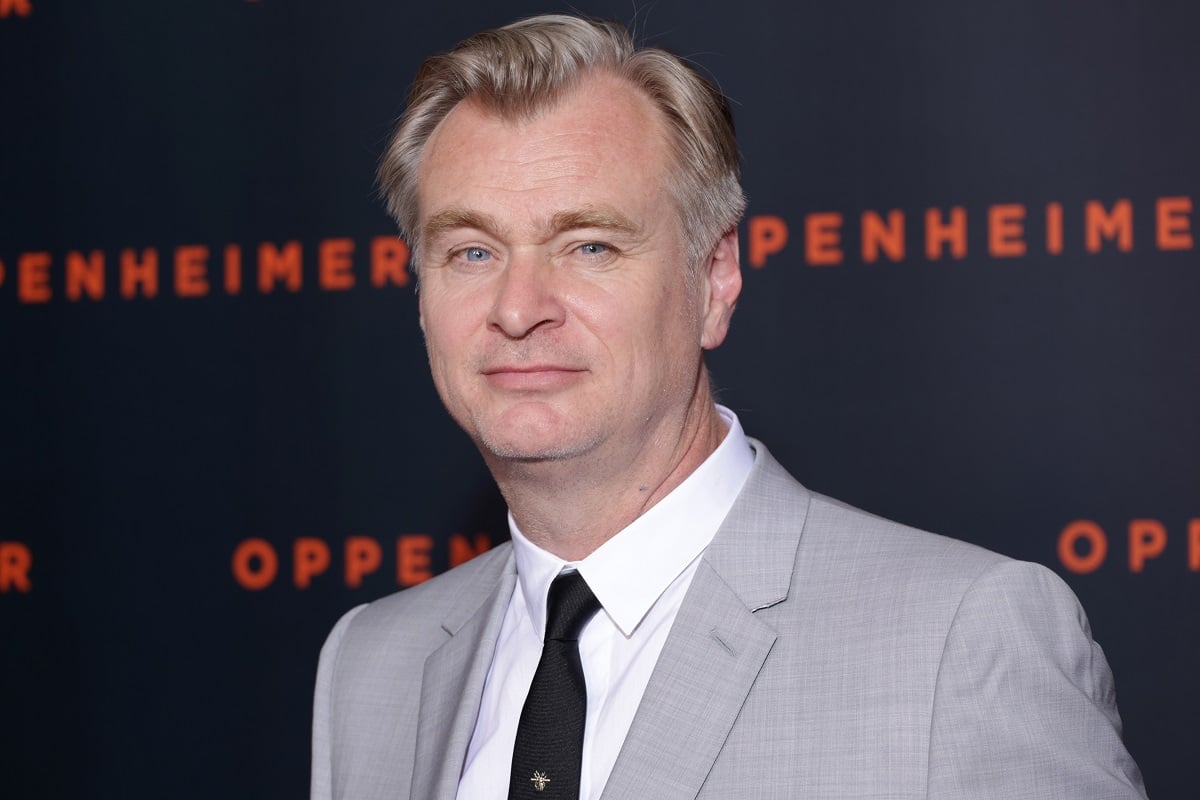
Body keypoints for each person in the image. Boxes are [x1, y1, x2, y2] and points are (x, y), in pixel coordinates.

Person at [311, 14, 1146, 800]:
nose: (519, 305)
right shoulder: (372, 666)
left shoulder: (964, 642)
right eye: (472, 250)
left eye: (590, 245)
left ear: (715, 282)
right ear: (421, 294)